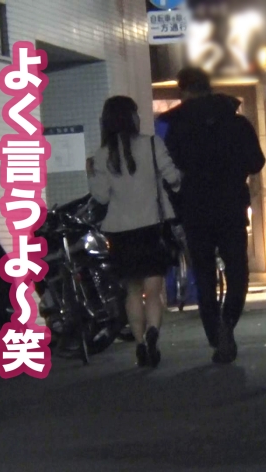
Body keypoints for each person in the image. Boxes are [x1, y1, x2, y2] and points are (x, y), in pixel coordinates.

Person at [157, 67, 266, 364]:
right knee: (237, 270)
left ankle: (216, 335)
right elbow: (256, 162)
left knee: (204, 274)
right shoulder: (236, 122)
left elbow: (169, 171)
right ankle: (228, 322)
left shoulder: (177, 127)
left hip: (195, 210)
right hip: (231, 206)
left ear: (183, 91)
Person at [88, 96, 182, 368]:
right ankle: (153, 330)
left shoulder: (101, 155)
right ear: (132, 118)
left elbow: (101, 197)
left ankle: (140, 343)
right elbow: (173, 177)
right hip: (152, 226)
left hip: (120, 232)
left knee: (132, 291)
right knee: (153, 290)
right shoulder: (152, 144)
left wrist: (92, 173)